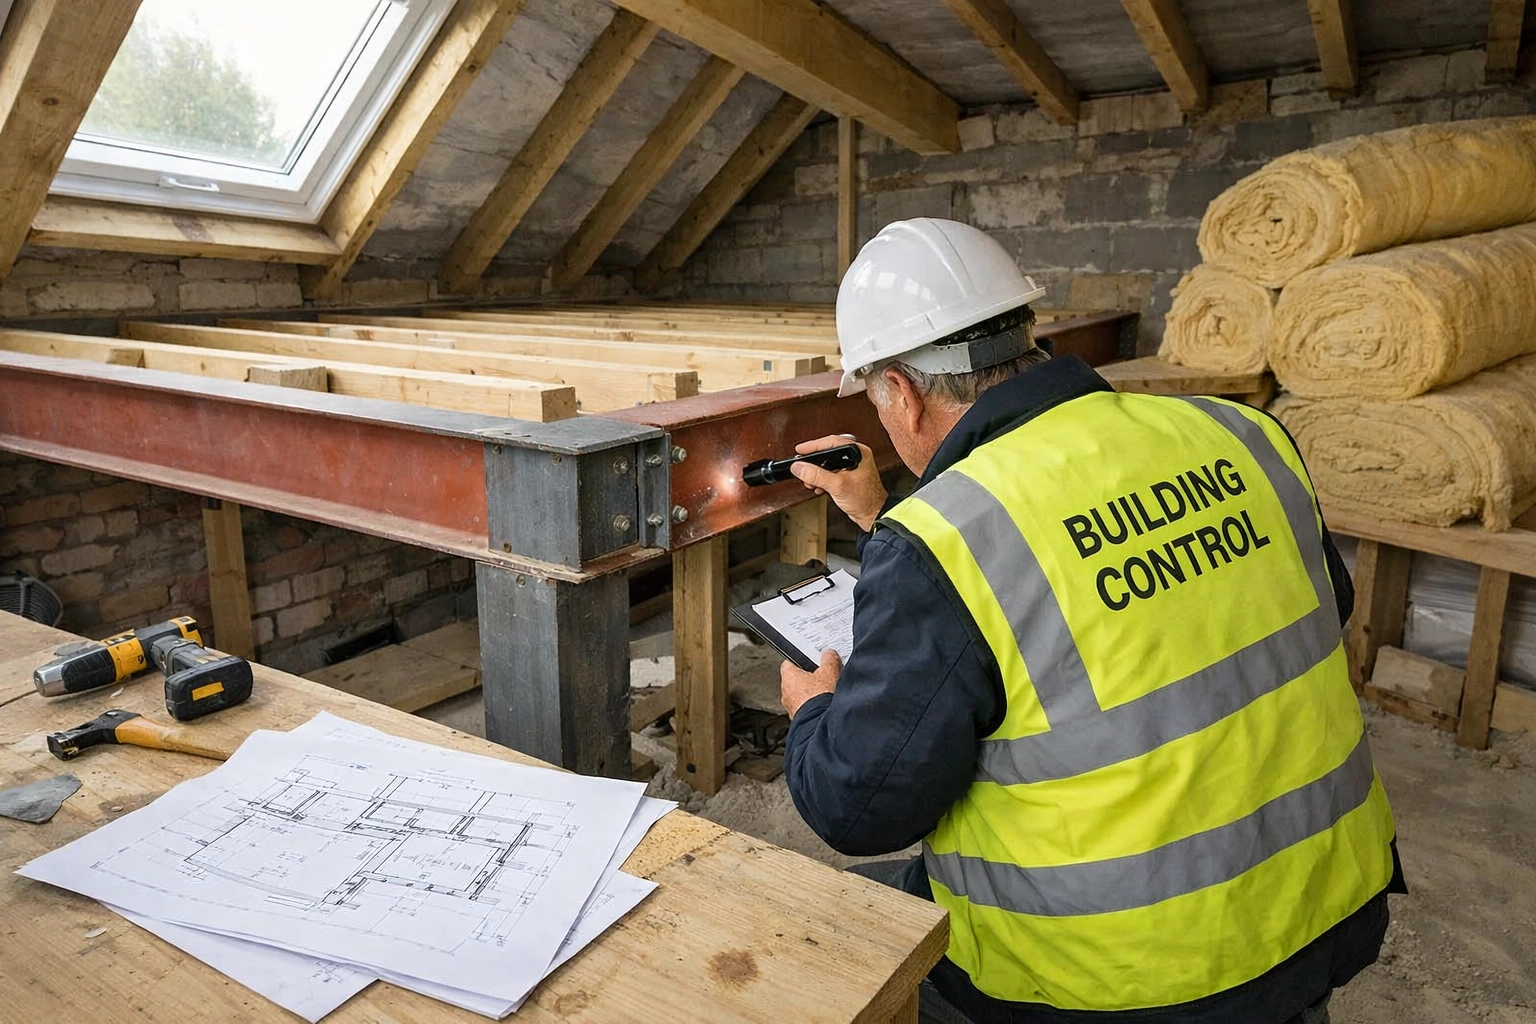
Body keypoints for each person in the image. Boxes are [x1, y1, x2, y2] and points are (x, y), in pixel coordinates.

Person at [778, 218, 1405, 1024]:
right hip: (1323, 908)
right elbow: (1303, 613)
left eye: (875, 398)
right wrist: (890, 518)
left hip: (1120, 978)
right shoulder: (1243, 435)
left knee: (846, 933)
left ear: (899, 389)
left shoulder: (944, 542)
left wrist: (816, 712)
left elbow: (859, 807)